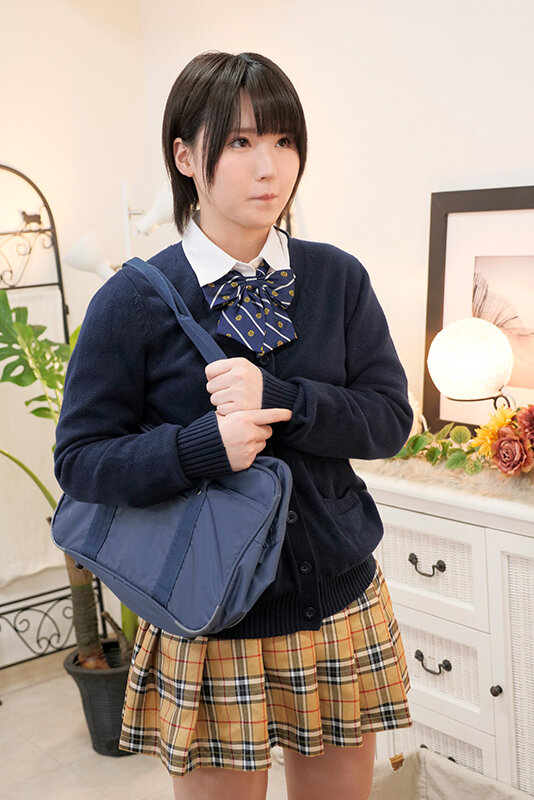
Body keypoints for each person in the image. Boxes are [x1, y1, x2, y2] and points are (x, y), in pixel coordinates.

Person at [54, 51, 413, 800]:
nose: (269, 167)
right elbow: (81, 461)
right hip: (212, 622)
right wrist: (200, 449)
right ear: (186, 156)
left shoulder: (336, 278)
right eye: (241, 142)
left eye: (284, 141)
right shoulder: (133, 300)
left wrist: (282, 398)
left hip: (338, 603)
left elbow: (387, 422)